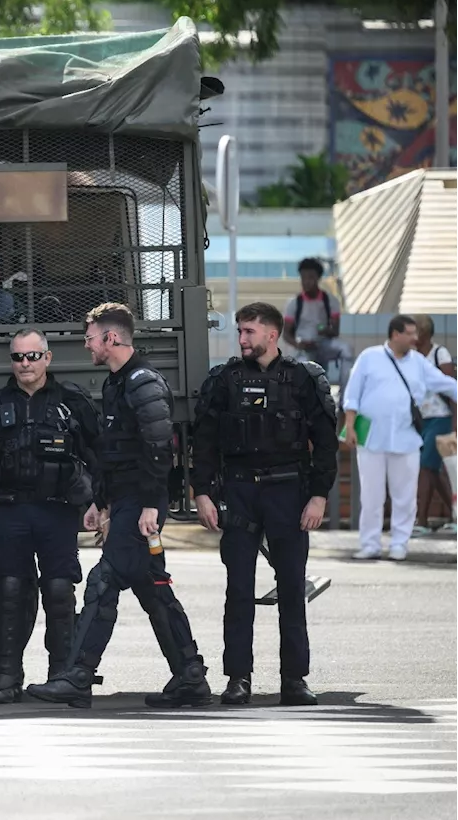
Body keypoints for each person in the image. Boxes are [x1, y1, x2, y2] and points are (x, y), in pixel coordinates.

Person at [26, 302, 212, 710]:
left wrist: (148, 506)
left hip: (143, 503)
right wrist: (102, 502)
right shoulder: (115, 383)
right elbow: (114, 452)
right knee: (153, 587)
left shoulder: (143, 382)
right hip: (126, 501)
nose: (86, 344)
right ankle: (189, 675)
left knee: (103, 582)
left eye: (90, 337)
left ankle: (77, 676)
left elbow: (160, 447)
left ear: (111, 338)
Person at [191, 302, 338, 706]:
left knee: (291, 589)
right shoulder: (224, 380)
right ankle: (238, 678)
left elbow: (325, 444)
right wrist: (202, 491)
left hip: (289, 493)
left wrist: (319, 496)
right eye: (240, 331)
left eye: (250, 332)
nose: (242, 339)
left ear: (272, 335)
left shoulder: (303, 379)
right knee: (237, 590)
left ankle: (294, 680)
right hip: (238, 492)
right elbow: (202, 441)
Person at [0, 328, 99, 703]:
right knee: (9, 593)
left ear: (47, 358)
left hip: (57, 510)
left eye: (32, 356)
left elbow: (96, 453)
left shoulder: (71, 402)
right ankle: (7, 676)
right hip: (8, 510)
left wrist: (98, 504)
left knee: (59, 592)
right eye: (18, 357)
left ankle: (62, 675)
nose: (25, 364)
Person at [343, 315, 458, 561]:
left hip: (406, 437)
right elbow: (352, 394)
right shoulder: (369, 357)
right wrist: (350, 427)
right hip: (371, 437)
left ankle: (399, 544)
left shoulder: (419, 362)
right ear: (395, 334)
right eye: (410, 333)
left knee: (404, 495)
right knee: (371, 495)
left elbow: (446, 384)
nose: (415, 338)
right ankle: (370, 544)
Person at [412, 314, 455, 534]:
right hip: (423, 419)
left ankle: (422, 521)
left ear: (424, 333)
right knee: (435, 471)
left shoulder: (439, 353)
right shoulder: (411, 357)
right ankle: (454, 514)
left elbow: (451, 388)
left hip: (441, 418)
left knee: (426, 466)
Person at [283, 258, 352, 394]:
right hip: (304, 348)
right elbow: (286, 334)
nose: (306, 282)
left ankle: (345, 399)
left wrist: (325, 330)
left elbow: (335, 331)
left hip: (324, 344)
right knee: (305, 369)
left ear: (318, 278)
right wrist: (299, 344)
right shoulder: (294, 303)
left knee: (346, 350)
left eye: (310, 277)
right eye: (303, 277)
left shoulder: (331, 301)